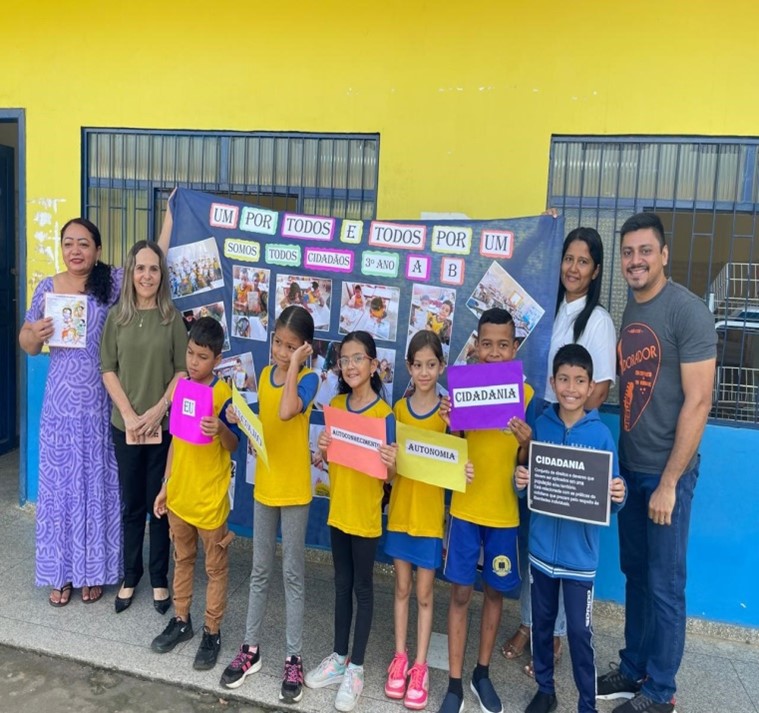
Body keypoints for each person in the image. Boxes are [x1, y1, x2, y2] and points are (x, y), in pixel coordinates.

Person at [597, 213, 716, 713]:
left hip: (668, 475)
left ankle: (661, 692)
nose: (635, 260)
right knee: (637, 575)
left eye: (645, 250)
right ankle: (634, 668)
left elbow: (699, 401)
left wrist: (669, 482)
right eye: (628, 252)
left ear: (664, 254)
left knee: (666, 586)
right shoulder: (631, 309)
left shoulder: (688, 312)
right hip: (631, 469)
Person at [502, 224, 617, 676]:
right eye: (568, 258)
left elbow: (600, 387)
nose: (573, 267)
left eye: (583, 261)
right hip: (537, 420)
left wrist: (570, 422)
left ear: (596, 271)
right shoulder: (542, 309)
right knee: (533, 529)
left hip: (569, 432)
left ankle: (555, 636)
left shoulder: (598, 320)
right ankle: (530, 623)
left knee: (563, 532)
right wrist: (539, 233)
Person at [514, 344, 626, 713]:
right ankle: (545, 690)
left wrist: (619, 493)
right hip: (542, 551)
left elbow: (612, 496)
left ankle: (587, 704)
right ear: (553, 382)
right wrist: (520, 479)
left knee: (579, 632)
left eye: (580, 381)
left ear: (591, 386)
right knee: (542, 624)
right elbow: (526, 482)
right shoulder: (540, 426)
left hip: (580, 559)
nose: (571, 388)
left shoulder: (600, 435)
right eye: (564, 379)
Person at [19, 218, 125, 606]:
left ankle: (93, 571)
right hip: (60, 405)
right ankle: (60, 573)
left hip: (100, 400)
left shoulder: (110, 283)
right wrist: (35, 334)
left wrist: (169, 217)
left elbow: (152, 264)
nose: (75, 250)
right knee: (60, 488)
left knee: (97, 486)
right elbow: (27, 342)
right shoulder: (47, 288)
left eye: (83, 243)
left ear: (98, 249)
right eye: (68, 243)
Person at [220, 306, 319, 704]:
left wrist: (295, 366)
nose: (280, 351)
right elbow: (265, 420)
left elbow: (287, 409)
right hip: (265, 486)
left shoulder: (308, 379)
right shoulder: (263, 375)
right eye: (277, 342)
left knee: (292, 574)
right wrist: (238, 416)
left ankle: (294, 657)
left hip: (294, 492)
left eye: (291, 346)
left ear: (305, 349)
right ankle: (250, 649)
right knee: (259, 570)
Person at [438, 307, 533, 713]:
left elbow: (525, 465)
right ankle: (454, 684)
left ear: (515, 348)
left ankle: (482, 673)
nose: (494, 353)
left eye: (503, 345)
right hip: (465, 509)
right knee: (460, 592)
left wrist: (527, 443)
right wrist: (451, 423)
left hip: (503, 514)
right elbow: (453, 450)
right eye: (487, 344)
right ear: (475, 347)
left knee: (495, 591)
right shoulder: (461, 390)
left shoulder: (527, 396)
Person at [305, 331, 397, 712]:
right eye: (344, 359)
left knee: (363, 587)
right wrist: (323, 450)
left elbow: (390, 477)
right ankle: (339, 658)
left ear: (373, 365)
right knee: (340, 584)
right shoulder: (337, 405)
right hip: (338, 511)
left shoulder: (384, 414)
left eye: (358, 358)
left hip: (365, 516)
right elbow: (331, 458)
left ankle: (356, 669)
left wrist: (392, 464)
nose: (350, 365)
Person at [384, 330, 473, 711]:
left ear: (442, 367)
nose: (424, 372)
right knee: (402, 589)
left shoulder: (446, 413)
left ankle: (420, 666)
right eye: (418, 365)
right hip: (400, 516)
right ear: (409, 367)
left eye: (431, 365)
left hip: (429, 520)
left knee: (424, 594)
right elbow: (389, 474)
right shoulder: (399, 411)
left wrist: (458, 440)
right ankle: (400, 657)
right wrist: (387, 464)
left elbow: (458, 458)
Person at [101, 240, 188, 614]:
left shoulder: (172, 319)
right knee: (133, 505)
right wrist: (130, 414)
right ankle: (130, 575)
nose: (147, 275)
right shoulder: (116, 317)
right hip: (125, 427)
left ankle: (158, 579)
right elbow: (108, 368)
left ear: (161, 275)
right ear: (131, 272)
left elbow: (183, 371)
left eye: (154, 269)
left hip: (162, 428)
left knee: (159, 506)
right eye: (140, 268)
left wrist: (158, 410)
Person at [150, 317, 240, 670]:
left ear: (217, 359)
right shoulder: (181, 387)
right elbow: (175, 442)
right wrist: (166, 485)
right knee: (182, 559)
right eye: (190, 353)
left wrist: (220, 428)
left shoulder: (224, 395)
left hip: (210, 501)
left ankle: (212, 631)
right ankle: (181, 620)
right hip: (180, 497)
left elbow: (234, 445)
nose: (193, 362)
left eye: (202, 357)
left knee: (215, 568)